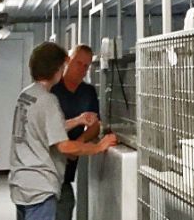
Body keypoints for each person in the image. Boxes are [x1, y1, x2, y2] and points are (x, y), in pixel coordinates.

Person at [9, 42, 117, 220]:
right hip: (40, 187)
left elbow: (42, 127)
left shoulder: (27, 94)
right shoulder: (48, 99)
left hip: (21, 183)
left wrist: (78, 120)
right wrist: (99, 146)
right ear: (58, 68)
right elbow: (64, 147)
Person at [51, 44, 100, 220]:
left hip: (67, 168)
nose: (82, 69)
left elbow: (95, 125)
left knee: (65, 204)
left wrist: (80, 142)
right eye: (78, 63)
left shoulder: (88, 92)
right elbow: (48, 128)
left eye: (86, 66)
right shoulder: (52, 90)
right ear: (68, 61)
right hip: (49, 165)